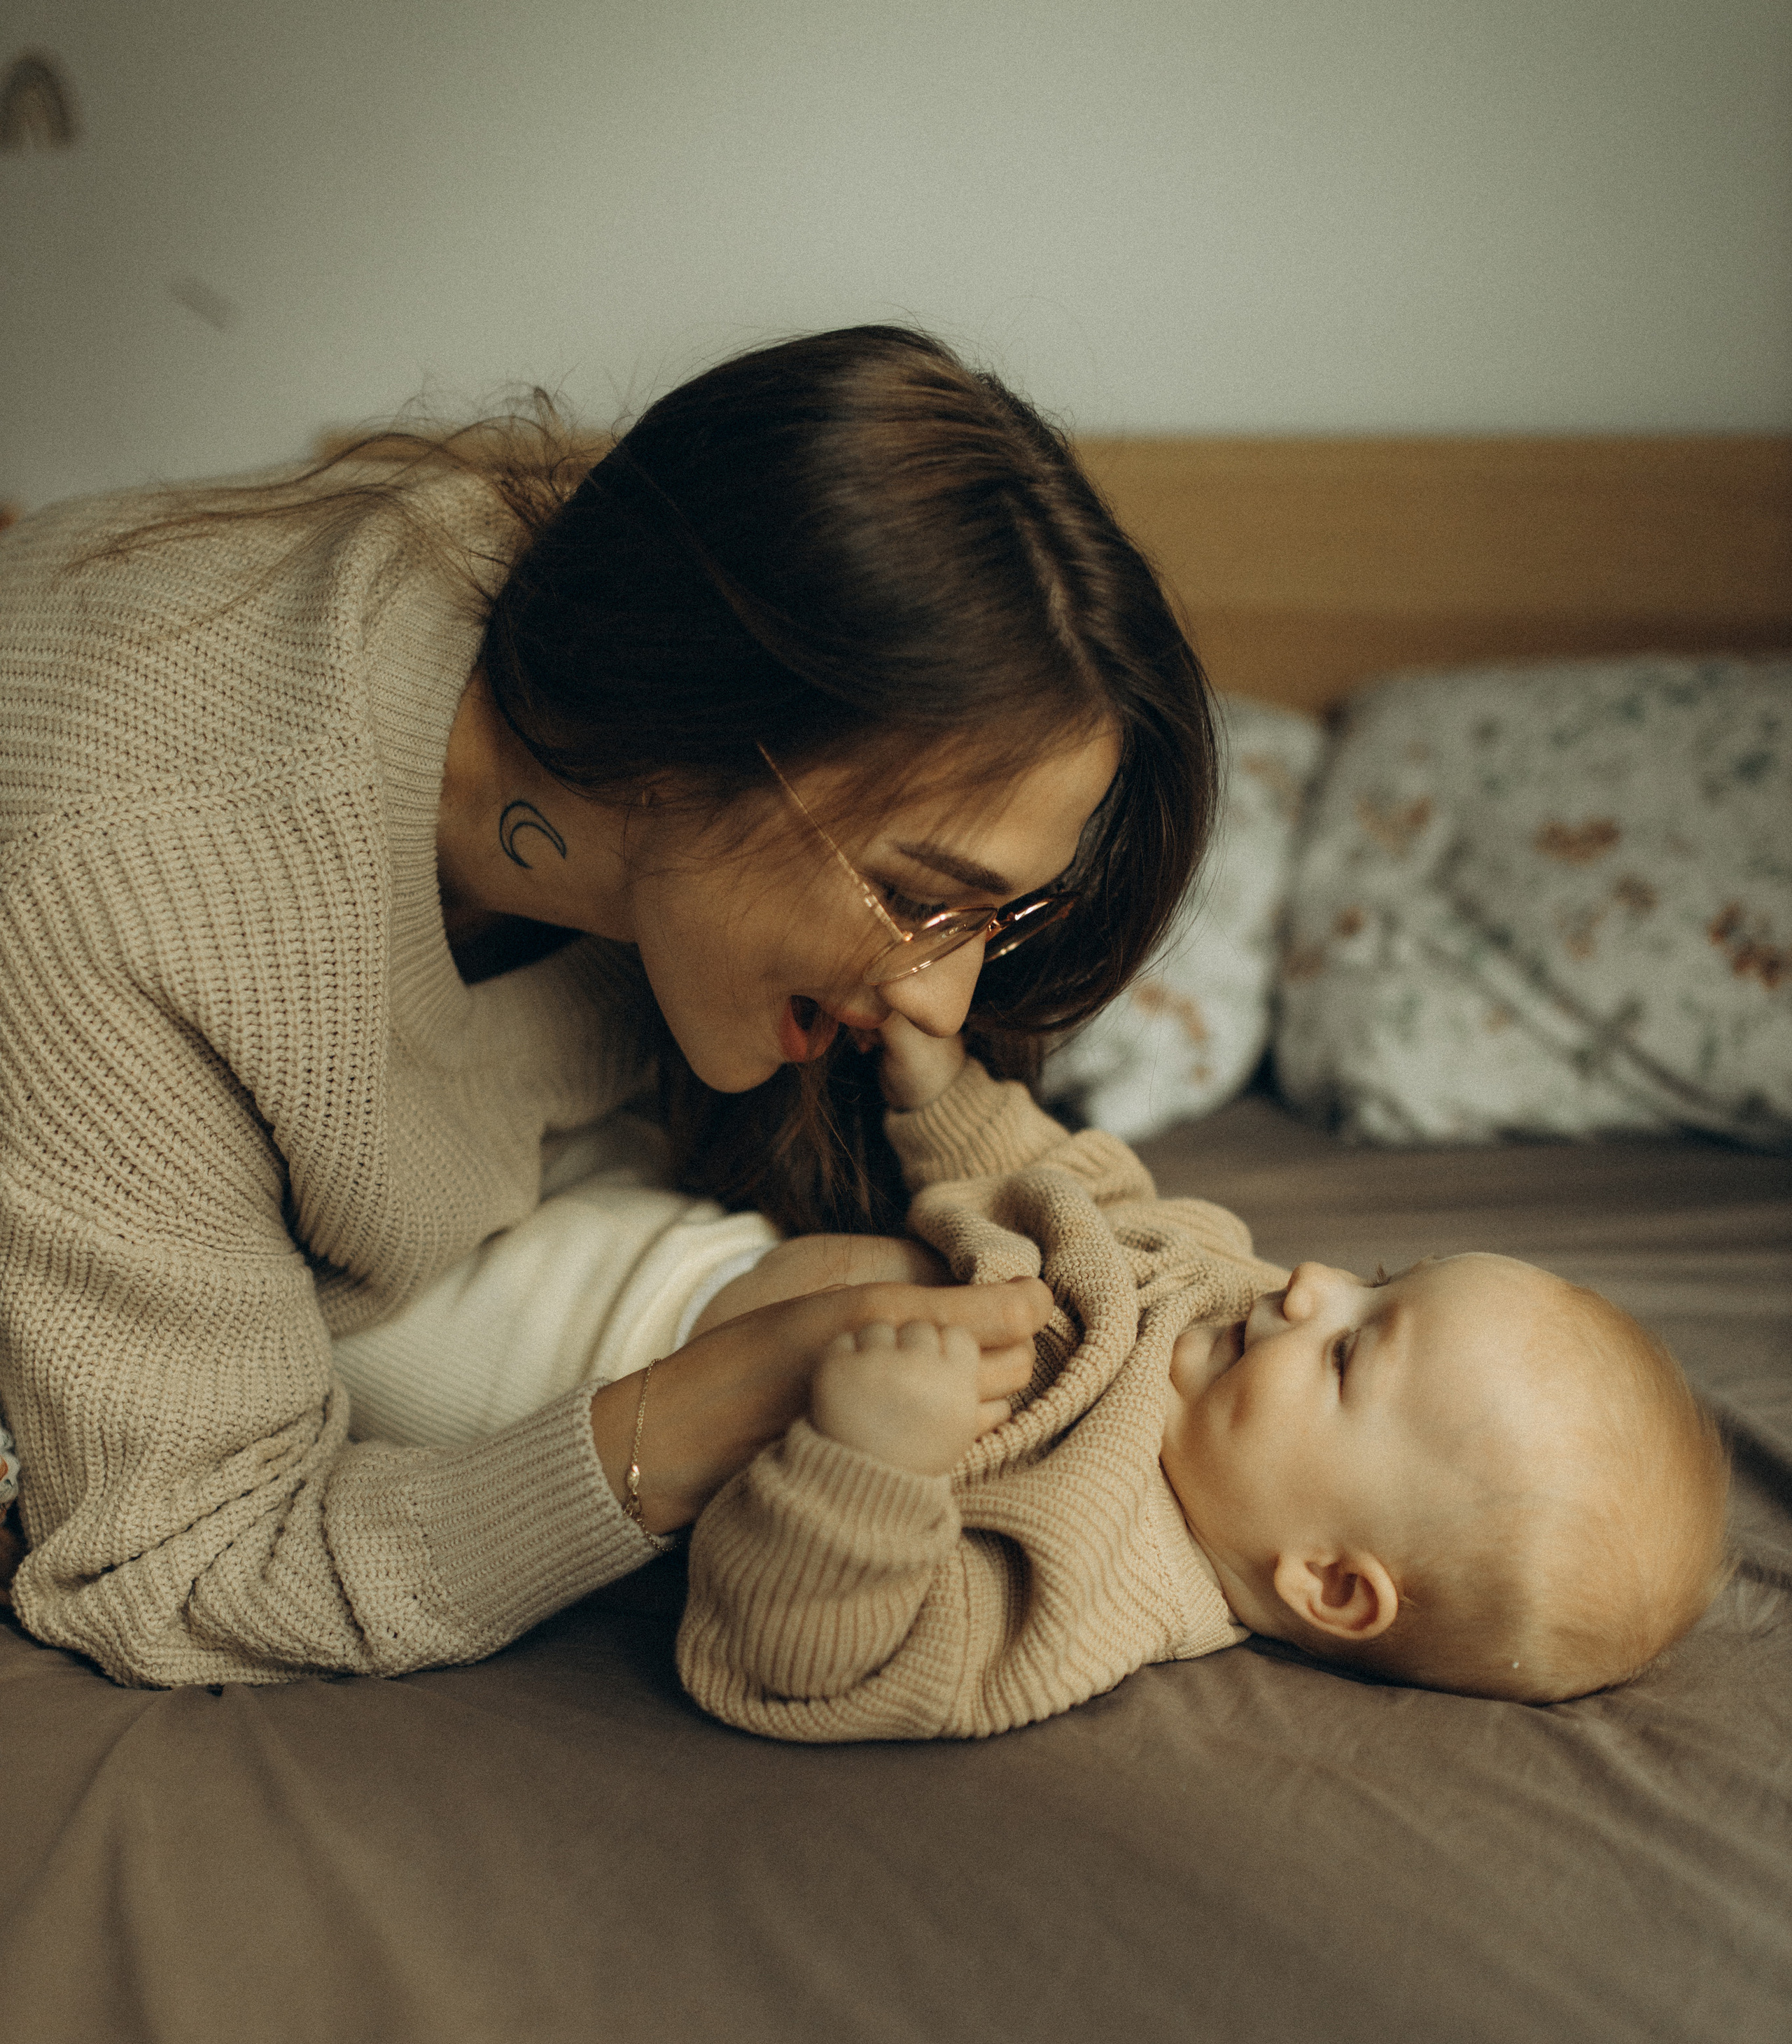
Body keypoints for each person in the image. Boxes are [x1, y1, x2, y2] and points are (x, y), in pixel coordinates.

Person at [0, 326, 1217, 1688]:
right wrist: (695, 1411)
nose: (943, 992)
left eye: (992, 917)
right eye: (916, 895)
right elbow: (178, 1560)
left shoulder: (637, 659)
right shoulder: (123, 886)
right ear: (694, 721)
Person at [676, 1023, 1732, 1740]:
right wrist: (944, 1096)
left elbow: (805, 1659)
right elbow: (1092, 1197)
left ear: (1330, 1583)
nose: (1314, 1285)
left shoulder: (1101, 1575)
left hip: (620, 1353)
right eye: (1376, 1281)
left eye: (1351, 1350)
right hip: (690, 1214)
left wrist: (867, 1463)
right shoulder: (1233, 1300)